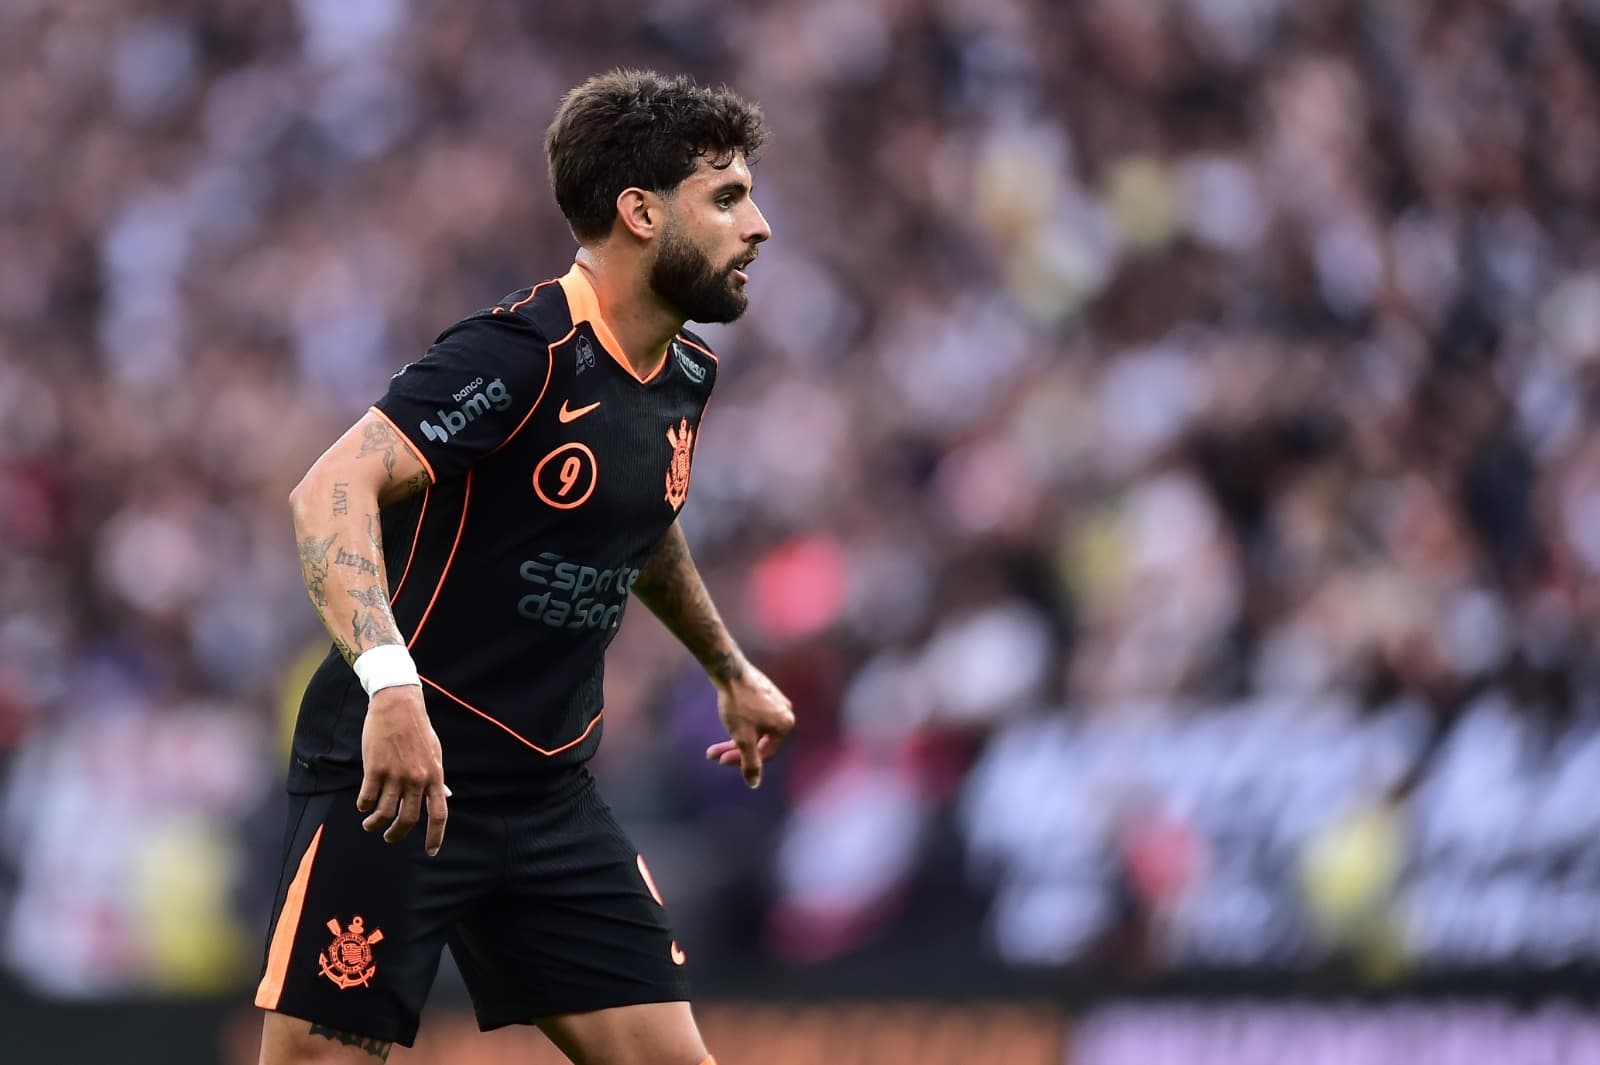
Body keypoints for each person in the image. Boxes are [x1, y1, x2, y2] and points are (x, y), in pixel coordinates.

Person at [253, 69, 793, 1065]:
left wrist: (728, 667)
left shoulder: (684, 374)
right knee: (319, 1058)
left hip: (546, 793)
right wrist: (390, 688)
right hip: (400, 776)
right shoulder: (516, 354)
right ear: (639, 212)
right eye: (726, 197)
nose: (756, 225)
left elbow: (636, 519)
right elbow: (328, 492)